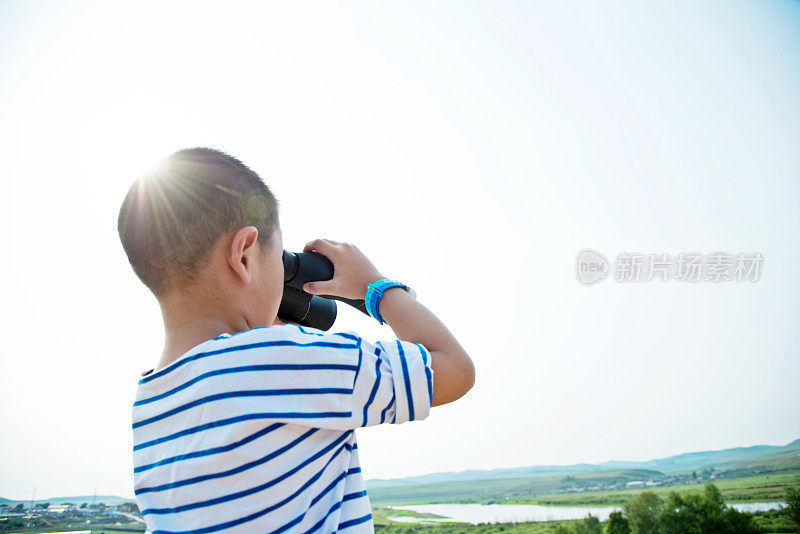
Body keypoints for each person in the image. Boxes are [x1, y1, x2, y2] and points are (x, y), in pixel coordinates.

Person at [117, 147, 475, 534]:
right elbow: (454, 369)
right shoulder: (279, 361)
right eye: (279, 258)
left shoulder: (149, 405)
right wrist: (376, 286)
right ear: (244, 256)